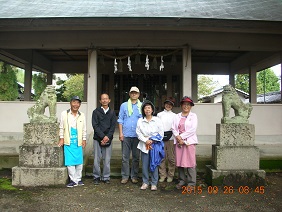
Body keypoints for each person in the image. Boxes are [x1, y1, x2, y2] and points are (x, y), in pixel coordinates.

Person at [58, 96, 87, 188]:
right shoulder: (64, 114)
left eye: (78, 103)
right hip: (68, 141)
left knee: (79, 161)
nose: (75, 105)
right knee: (70, 162)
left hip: (78, 141)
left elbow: (84, 129)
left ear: (79, 105)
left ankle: (78, 179)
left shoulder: (82, 115)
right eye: (74, 102)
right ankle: (73, 180)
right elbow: (61, 127)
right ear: (70, 103)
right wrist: (61, 138)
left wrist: (84, 139)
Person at [136, 100, 164, 191]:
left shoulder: (157, 120)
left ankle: (154, 183)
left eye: (149, 108)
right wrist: (145, 140)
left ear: (152, 110)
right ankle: (145, 182)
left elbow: (161, 133)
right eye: (145, 108)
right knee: (144, 164)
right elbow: (138, 132)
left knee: (154, 164)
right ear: (143, 110)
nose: (147, 109)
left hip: (154, 145)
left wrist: (152, 140)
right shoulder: (140, 120)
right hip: (144, 145)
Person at [172, 96, 198, 189]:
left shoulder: (193, 116)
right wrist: (178, 138)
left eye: (188, 104)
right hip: (179, 142)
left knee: (190, 162)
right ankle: (182, 181)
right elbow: (173, 128)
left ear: (191, 106)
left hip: (189, 142)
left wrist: (181, 137)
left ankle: (191, 183)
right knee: (180, 162)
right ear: (181, 105)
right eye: (184, 104)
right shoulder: (177, 116)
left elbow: (192, 129)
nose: (186, 106)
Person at [118, 86, 142, 184]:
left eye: (135, 93)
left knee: (136, 157)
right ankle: (125, 176)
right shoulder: (124, 105)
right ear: (129, 94)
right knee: (125, 157)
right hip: (126, 135)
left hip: (137, 135)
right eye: (132, 92)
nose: (134, 94)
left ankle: (134, 176)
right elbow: (120, 119)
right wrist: (120, 133)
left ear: (138, 94)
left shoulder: (142, 105)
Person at [92, 93, 117, 185]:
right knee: (96, 159)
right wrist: (102, 137)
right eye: (103, 99)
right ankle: (96, 176)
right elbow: (95, 125)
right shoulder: (96, 112)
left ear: (109, 100)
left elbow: (113, 126)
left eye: (106, 99)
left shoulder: (112, 112)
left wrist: (107, 137)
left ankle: (106, 177)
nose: (104, 100)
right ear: (100, 101)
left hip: (108, 138)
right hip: (97, 138)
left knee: (107, 160)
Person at [157, 97, 176, 183]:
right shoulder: (159, 115)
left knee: (171, 158)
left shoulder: (175, 116)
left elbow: (175, 128)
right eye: (167, 104)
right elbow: (157, 126)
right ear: (164, 104)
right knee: (162, 158)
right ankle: (162, 175)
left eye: (170, 104)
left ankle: (170, 175)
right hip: (161, 138)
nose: (168, 105)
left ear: (172, 106)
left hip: (171, 138)